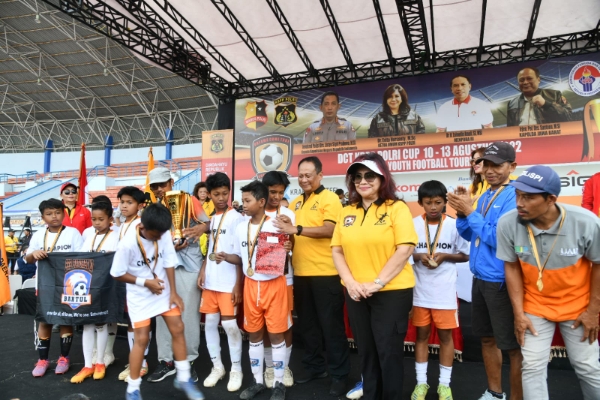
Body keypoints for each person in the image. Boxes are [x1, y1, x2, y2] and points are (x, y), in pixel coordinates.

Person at [498, 165, 600, 400]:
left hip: (578, 307)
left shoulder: (585, 222)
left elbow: (598, 264)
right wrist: (519, 314)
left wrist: (593, 311)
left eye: (528, 197)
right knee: (532, 367)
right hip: (535, 306)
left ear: (551, 199)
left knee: (588, 367)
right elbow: (511, 266)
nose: (519, 203)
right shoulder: (508, 223)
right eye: (518, 195)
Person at [331, 153, 417, 400]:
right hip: (356, 293)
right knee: (366, 352)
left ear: (382, 178)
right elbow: (337, 250)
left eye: (369, 175)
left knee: (389, 354)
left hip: (391, 293)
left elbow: (405, 249)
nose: (362, 181)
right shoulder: (347, 211)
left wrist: (377, 283)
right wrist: (350, 283)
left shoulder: (396, 208)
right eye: (357, 177)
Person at [447, 142, 522, 400]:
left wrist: (470, 211)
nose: (489, 170)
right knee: (487, 339)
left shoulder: (516, 195)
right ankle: (495, 393)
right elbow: (470, 234)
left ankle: (517, 396)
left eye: (496, 165)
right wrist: (462, 212)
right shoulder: (485, 194)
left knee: (512, 346)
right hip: (480, 278)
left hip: (501, 281)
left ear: (512, 166)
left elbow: (500, 239)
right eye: (485, 164)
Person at [110, 203, 204, 400]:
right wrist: (145, 282)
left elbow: (169, 261)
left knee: (178, 328)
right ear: (143, 227)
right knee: (142, 340)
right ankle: (133, 389)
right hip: (139, 295)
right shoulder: (127, 244)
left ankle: (183, 377)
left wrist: (174, 292)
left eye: (162, 234)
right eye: (155, 235)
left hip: (162, 290)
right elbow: (116, 273)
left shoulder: (162, 232)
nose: (159, 238)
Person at [274, 156, 350, 396]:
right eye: (301, 175)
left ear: (320, 175)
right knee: (308, 326)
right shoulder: (296, 203)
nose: (304, 179)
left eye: (308, 175)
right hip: (301, 273)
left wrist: (295, 229)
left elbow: (330, 229)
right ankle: (315, 368)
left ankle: (339, 375)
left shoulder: (330, 199)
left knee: (332, 328)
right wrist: (289, 239)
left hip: (326, 273)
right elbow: (293, 235)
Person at [219, 180, 292, 400]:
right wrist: (225, 256)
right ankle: (258, 381)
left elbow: (287, 257)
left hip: (274, 285)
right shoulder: (241, 227)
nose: (244, 204)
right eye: (242, 200)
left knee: (276, 333)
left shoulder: (277, 225)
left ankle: (278, 382)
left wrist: (289, 247)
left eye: (247, 200)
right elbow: (240, 258)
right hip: (251, 285)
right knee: (254, 333)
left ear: (261, 202)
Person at [147, 168, 208, 384]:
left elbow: (209, 224)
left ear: (171, 182)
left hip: (189, 264)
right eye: (154, 186)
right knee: (163, 314)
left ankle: (188, 361)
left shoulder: (189, 200)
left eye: (162, 184)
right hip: (163, 267)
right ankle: (166, 361)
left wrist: (200, 229)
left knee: (188, 315)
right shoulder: (152, 209)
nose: (159, 189)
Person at [410, 180, 470, 400]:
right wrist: (418, 256)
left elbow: (465, 255)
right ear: (420, 203)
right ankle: (421, 383)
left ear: (445, 202)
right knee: (422, 336)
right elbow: (403, 253)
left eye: (437, 202)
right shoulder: (413, 225)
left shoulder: (454, 225)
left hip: (444, 293)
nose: (433, 207)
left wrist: (444, 256)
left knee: (446, 338)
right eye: (428, 203)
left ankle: (444, 385)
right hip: (420, 292)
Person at [197, 172, 245, 391]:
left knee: (229, 325)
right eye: (216, 194)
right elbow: (211, 247)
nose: (221, 198)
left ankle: (236, 369)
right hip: (211, 280)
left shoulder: (237, 218)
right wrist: (203, 269)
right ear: (209, 195)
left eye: (225, 193)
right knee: (209, 324)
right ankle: (217, 367)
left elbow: (241, 255)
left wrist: (238, 284)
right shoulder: (212, 218)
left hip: (228, 281)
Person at [26, 198, 83, 377]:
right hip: (45, 284)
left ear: (63, 213)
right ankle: (43, 360)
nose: (54, 216)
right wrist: (34, 254)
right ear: (43, 217)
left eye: (58, 212)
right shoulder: (38, 235)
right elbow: (28, 259)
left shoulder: (73, 233)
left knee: (65, 319)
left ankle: (64, 358)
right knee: (45, 320)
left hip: (68, 284)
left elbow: (82, 257)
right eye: (49, 214)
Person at [70, 201, 120, 384]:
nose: (97, 223)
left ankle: (100, 362)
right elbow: (81, 259)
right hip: (89, 286)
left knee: (101, 323)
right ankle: (87, 365)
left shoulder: (116, 236)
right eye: (94, 219)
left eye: (101, 219)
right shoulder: (89, 236)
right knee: (87, 324)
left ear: (110, 219)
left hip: (106, 286)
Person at [261, 171, 296, 388]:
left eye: (281, 192)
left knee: (285, 323)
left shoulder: (289, 214)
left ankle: (285, 366)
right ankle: (269, 367)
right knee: (266, 324)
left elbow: (293, 243)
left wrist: (290, 245)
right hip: (260, 278)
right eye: (273, 192)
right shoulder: (253, 213)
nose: (276, 196)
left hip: (284, 277)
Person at [115, 186, 151, 381]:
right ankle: (135, 360)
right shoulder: (123, 225)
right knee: (131, 321)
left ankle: (143, 362)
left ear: (140, 205)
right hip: (127, 279)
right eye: (122, 202)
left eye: (129, 202)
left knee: (141, 322)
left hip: (140, 280)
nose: (124, 206)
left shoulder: (141, 224)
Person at [507, 66, 572, 126]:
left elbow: (568, 118)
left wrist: (546, 104)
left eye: (529, 78)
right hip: (521, 135)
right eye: (521, 80)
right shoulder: (512, 103)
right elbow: (510, 128)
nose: (525, 82)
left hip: (548, 134)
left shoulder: (554, 94)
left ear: (538, 80)